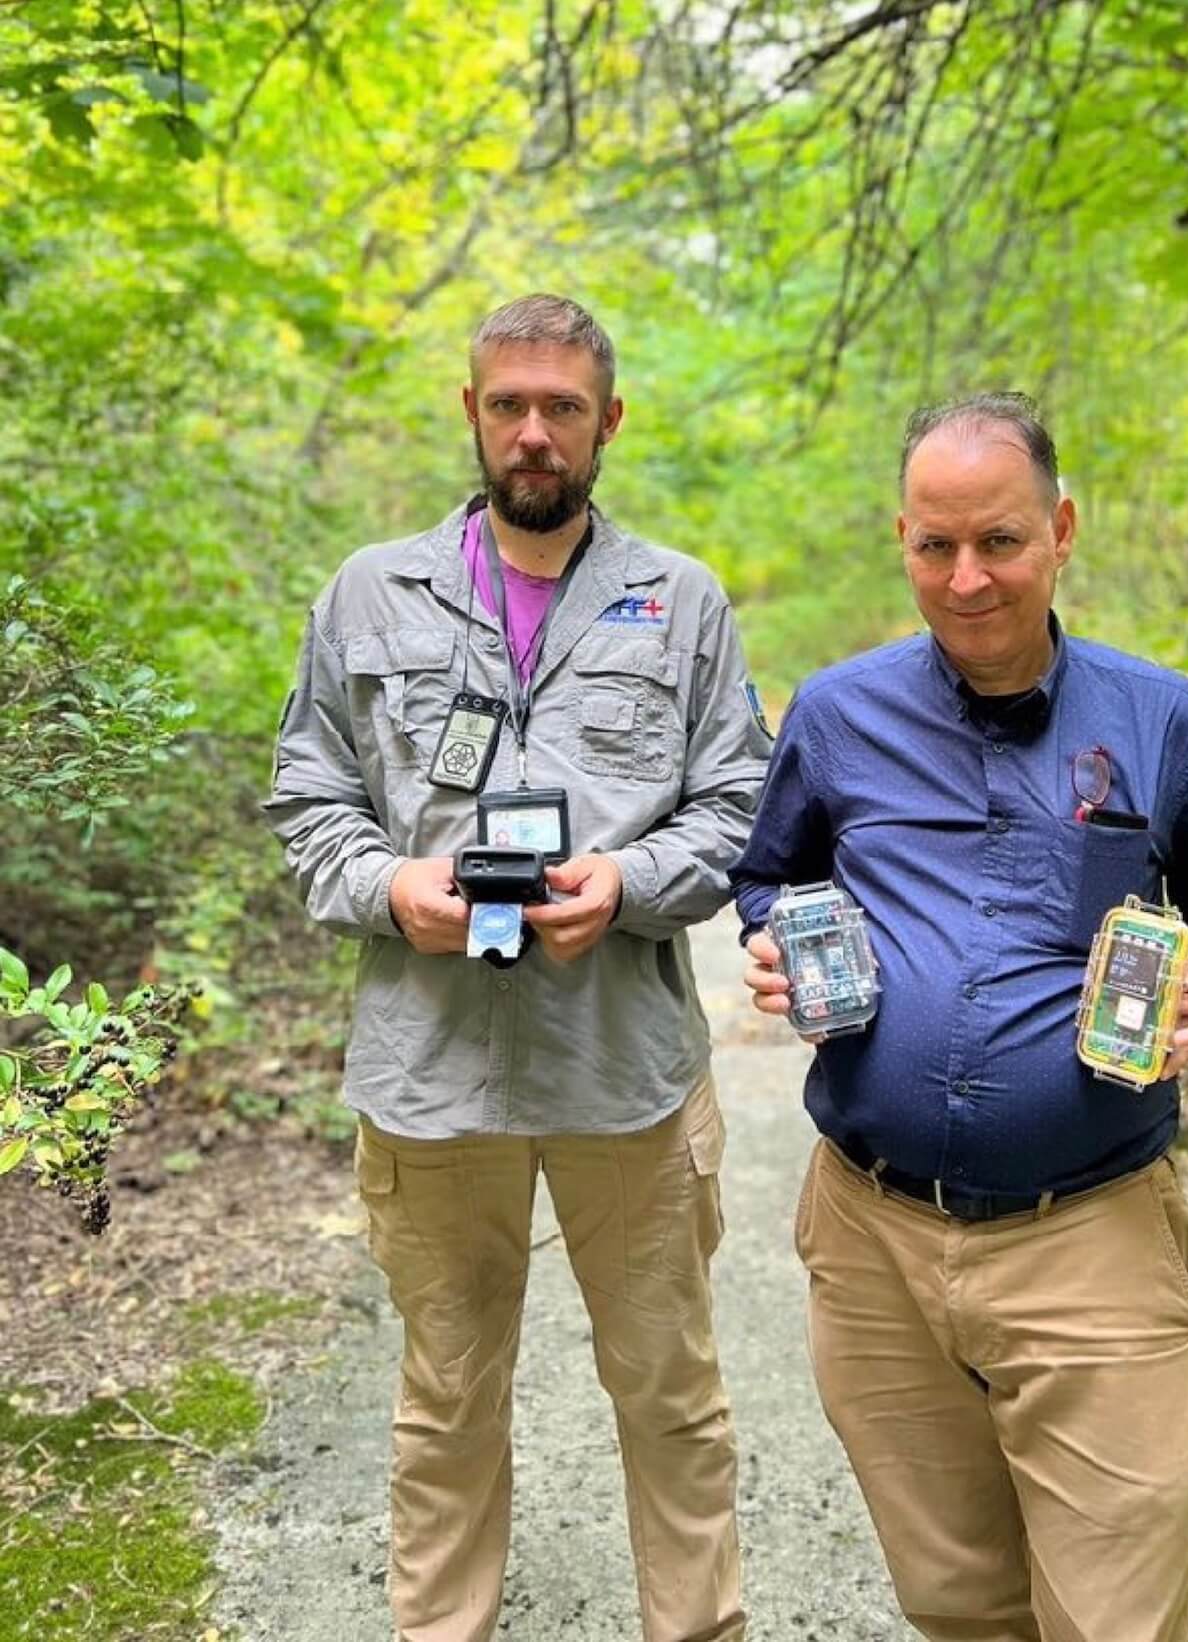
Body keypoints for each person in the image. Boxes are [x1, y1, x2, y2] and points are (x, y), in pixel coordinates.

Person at [731, 392, 1188, 1642]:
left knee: (1118, 1603)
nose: (967, 578)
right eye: (936, 545)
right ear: (904, 539)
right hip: (873, 1242)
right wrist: (774, 939)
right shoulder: (836, 714)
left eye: (1001, 541)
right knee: (955, 1598)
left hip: (1090, 1235)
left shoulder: (1165, 722)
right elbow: (770, 872)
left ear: (1062, 530)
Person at [265, 294, 770, 1642]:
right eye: (510, 404)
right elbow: (307, 793)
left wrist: (635, 882)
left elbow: (740, 804)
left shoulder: (682, 602)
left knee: (670, 1394)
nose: (535, 432)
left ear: (609, 420)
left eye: (563, 406)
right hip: (433, 1076)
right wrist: (388, 886)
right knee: (444, 1400)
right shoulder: (371, 593)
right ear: (473, 413)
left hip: (627, 1075)